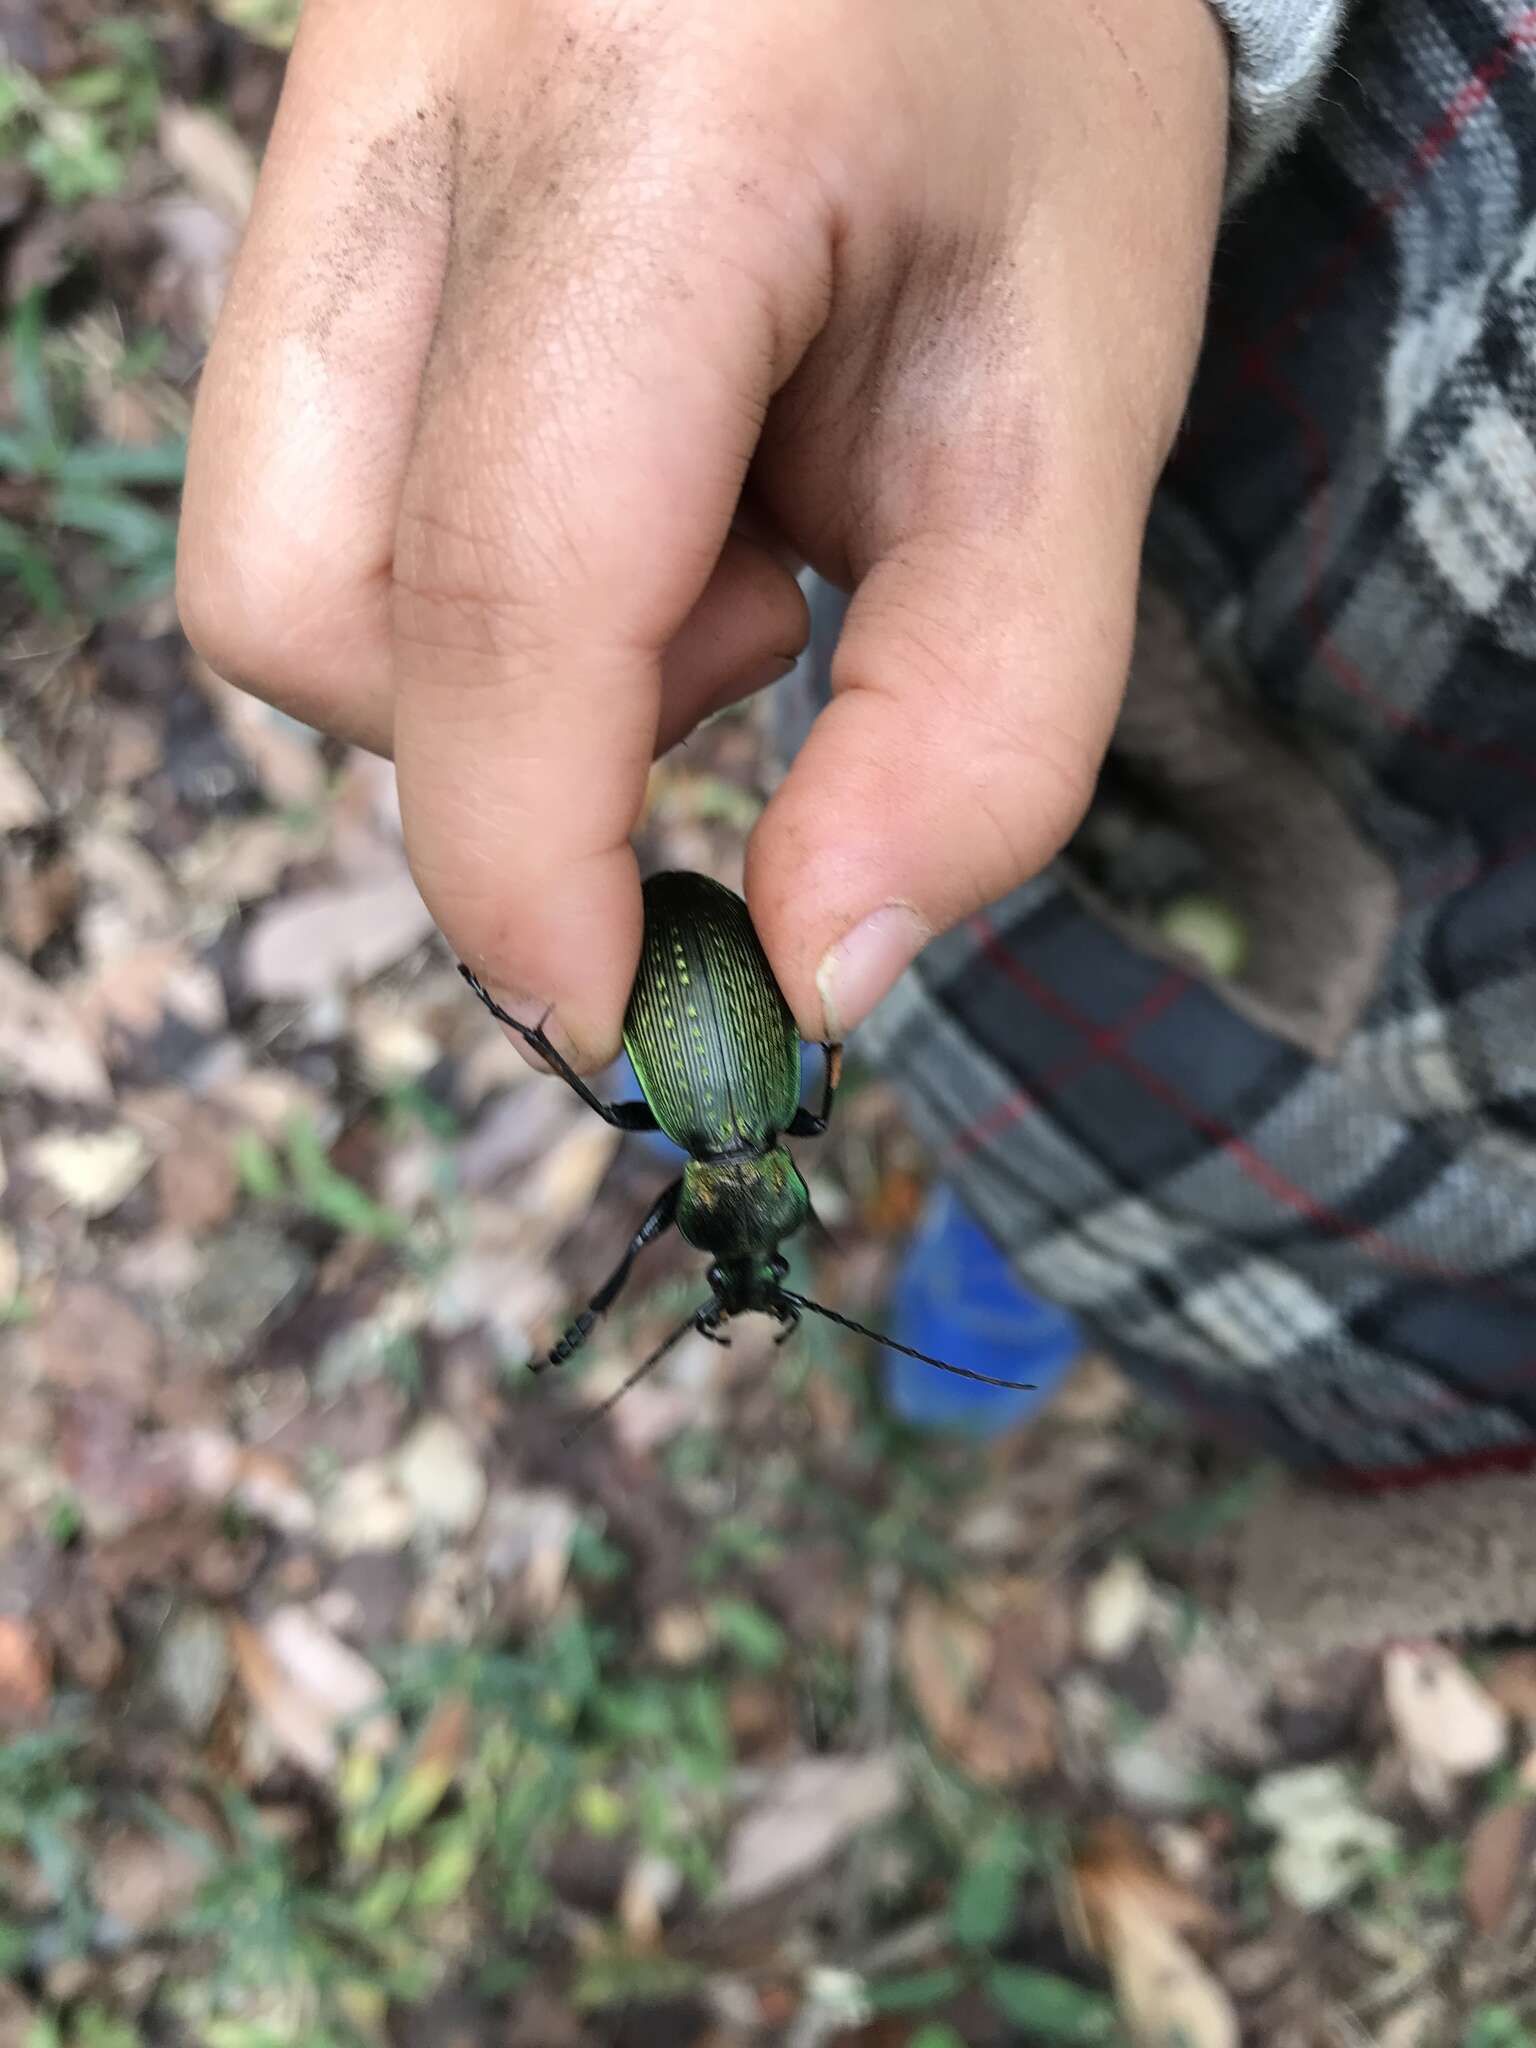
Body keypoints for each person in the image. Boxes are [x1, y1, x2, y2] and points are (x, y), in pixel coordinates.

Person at [178, 0, 1536, 1519]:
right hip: (1304, 368)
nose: (741, 1227)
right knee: (966, 894)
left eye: (725, 1235)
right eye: (750, 1229)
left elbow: (742, 1081)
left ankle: (1041, 1232)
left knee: (982, 933)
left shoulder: (751, 1132)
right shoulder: (714, 1137)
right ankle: (1025, 1224)